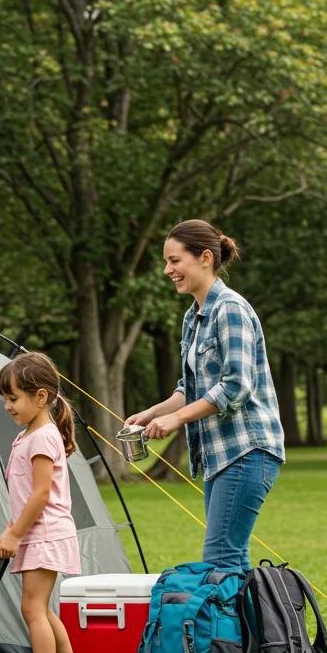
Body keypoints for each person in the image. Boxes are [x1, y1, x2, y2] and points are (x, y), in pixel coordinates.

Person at [125, 219, 284, 572]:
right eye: (166, 262)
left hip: (247, 449)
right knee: (231, 559)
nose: (168, 270)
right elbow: (191, 387)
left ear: (206, 258)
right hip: (220, 455)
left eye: (175, 260)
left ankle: (238, 630)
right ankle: (256, 630)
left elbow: (237, 385)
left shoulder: (230, 309)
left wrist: (177, 419)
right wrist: (153, 412)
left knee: (221, 558)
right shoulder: (193, 317)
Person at [0, 352, 92, 653]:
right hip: (39, 532)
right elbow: (25, 494)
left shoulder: (41, 438)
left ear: (40, 397)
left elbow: (41, 492)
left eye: (13, 397)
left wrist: (17, 533)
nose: (7, 406)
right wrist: (13, 526)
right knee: (43, 609)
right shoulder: (31, 435)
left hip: (44, 534)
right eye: (5, 398)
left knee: (32, 609)